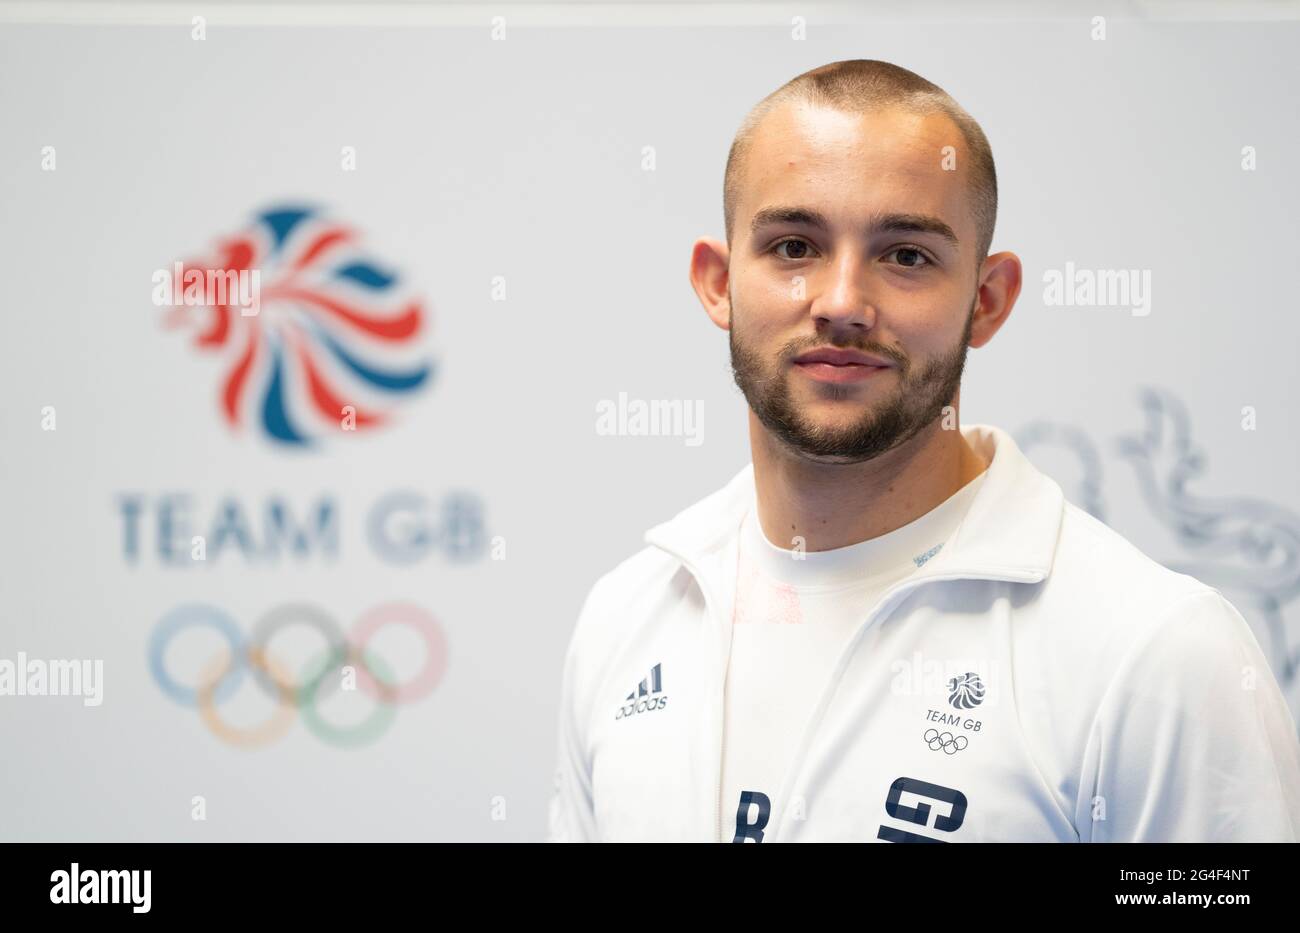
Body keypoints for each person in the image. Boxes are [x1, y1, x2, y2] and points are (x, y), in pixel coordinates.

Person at [547, 59, 1300, 842]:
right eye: (794, 245)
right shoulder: (627, 618)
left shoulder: (1156, 655)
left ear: (987, 299)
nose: (841, 303)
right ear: (718, 282)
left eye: (905, 255)